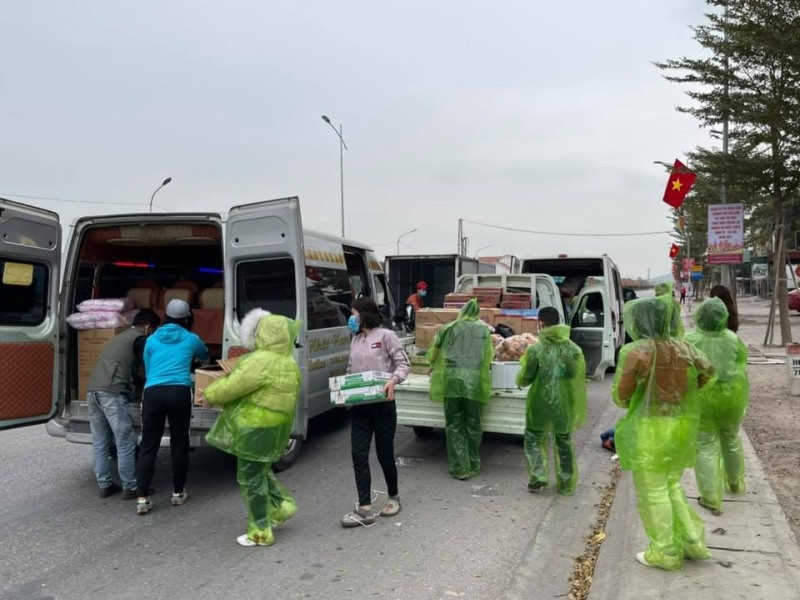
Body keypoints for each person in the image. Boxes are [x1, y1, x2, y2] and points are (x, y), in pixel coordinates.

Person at [612, 295, 716, 571]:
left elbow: (621, 397)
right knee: (671, 484)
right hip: (681, 424)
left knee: (654, 491)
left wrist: (641, 396)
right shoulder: (685, 348)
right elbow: (709, 372)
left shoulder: (635, 352)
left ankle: (666, 551)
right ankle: (693, 542)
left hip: (652, 427)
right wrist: (686, 391)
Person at [205, 310, 301, 547]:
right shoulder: (288, 361)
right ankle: (282, 506)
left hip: (254, 427)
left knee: (250, 479)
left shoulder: (259, 360)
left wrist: (209, 393)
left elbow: (234, 387)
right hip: (276, 427)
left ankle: (260, 530)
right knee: (261, 471)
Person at [341, 297, 410, 527]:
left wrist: (393, 380)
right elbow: (351, 370)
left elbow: (403, 364)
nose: (351, 319)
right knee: (358, 455)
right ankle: (365, 508)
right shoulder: (355, 339)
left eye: (353, 314)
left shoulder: (386, 336)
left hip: (383, 406)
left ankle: (393, 496)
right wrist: (344, 390)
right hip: (360, 408)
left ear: (364, 314)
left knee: (384, 454)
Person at [136, 299, 208, 515]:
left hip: (153, 392)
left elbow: (148, 368)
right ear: (186, 318)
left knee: (148, 444)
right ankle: (178, 492)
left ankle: (142, 498)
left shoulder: (152, 339)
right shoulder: (190, 338)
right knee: (179, 441)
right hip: (179, 391)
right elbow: (204, 355)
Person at [86, 309, 161, 499]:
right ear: (149, 328)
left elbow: (125, 366)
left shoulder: (121, 337)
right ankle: (131, 486)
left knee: (100, 441)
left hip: (93, 390)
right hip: (111, 393)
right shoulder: (140, 339)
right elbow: (152, 362)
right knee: (125, 440)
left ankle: (105, 484)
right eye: (155, 330)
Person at [686, 298, 749, 516]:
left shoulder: (689, 340)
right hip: (732, 398)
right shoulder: (733, 339)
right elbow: (742, 364)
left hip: (703, 398)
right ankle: (735, 482)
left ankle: (711, 496)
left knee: (705, 446)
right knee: (730, 439)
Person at [516, 306, 587, 495]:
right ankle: (565, 482)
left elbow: (527, 377)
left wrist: (519, 380)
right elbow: (574, 373)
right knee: (563, 440)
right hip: (563, 402)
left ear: (541, 323)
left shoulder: (536, 349)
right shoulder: (572, 349)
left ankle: (538, 476)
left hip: (540, 401)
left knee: (533, 438)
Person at [427, 299, 494, 480]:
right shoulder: (483, 330)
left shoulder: (448, 327)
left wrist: (431, 365)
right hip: (474, 382)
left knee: (454, 424)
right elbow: (489, 355)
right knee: (473, 424)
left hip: (452, 381)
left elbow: (434, 352)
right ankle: (473, 463)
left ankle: (459, 467)